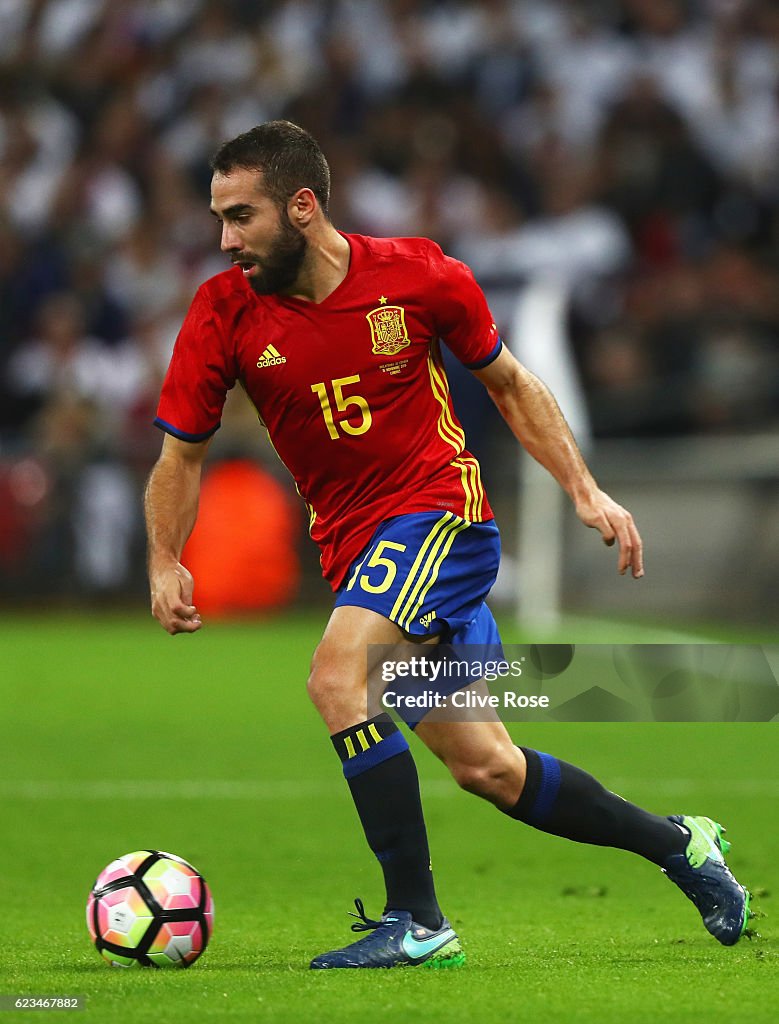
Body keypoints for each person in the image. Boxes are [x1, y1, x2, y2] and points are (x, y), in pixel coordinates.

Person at [144, 120, 752, 969]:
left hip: (442, 520)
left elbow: (509, 382)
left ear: (303, 206)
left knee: (335, 675)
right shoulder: (224, 312)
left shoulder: (419, 275)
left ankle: (416, 922)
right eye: (220, 218)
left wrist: (582, 489)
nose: (225, 239)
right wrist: (165, 558)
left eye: (241, 216)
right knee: (489, 770)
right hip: (357, 552)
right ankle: (681, 847)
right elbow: (181, 455)